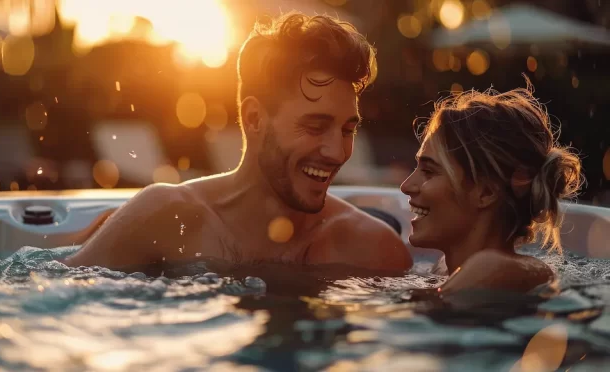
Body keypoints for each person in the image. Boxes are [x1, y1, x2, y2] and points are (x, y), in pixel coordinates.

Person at [64, 13, 412, 271]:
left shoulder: (373, 248)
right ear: (255, 119)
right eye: (315, 126)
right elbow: (61, 302)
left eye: (348, 130)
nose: (337, 152)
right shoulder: (166, 216)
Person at [400, 80, 582, 294]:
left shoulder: (493, 268)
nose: (406, 186)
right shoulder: (445, 268)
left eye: (429, 172)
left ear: (486, 192)